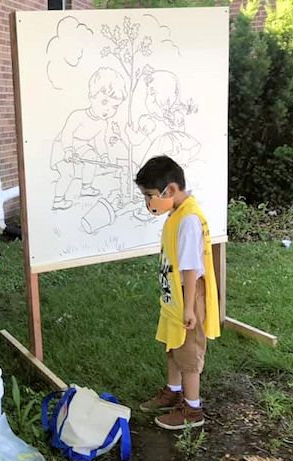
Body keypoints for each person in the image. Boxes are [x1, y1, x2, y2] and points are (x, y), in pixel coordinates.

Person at [135, 155, 220, 430]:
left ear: (169, 190)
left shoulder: (189, 220)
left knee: (189, 353)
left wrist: (188, 309)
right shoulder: (177, 214)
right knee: (172, 345)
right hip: (175, 297)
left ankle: (193, 409)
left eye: (150, 196)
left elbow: (192, 267)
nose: (149, 204)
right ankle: (173, 390)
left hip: (188, 298)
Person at [50, 67, 127, 210]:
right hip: (64, 145)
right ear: (92, 97)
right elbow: (67, 133)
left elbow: (99, 141)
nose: (108, 110)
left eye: (114, 106)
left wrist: (104, 156)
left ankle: (86, 187)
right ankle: (58, 200)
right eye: (104, 102)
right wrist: (68, 150)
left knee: (93, 158)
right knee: (68, 173)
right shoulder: (78, 115)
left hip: (82, 145)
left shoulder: (103, 122)